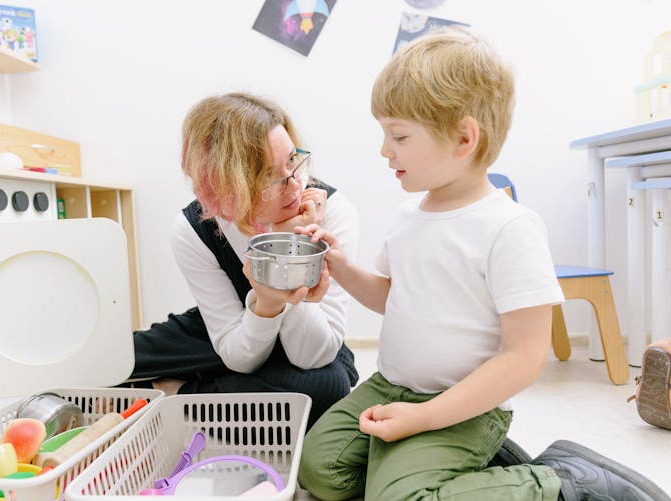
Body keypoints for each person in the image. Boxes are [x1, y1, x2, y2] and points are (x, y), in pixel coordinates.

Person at [296, 28, 669, 500]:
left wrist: (427, 419)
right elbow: (393, 297)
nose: (384, 150)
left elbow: (524, 356)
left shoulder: (508, 228)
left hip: (465, 406)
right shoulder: (408, 217)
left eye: (399, 135)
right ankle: (454, 467)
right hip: (390, 386)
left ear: (464, 139)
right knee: (318, 469)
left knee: (399, 498)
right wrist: (341, 266)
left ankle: (562, 483)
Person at [126, 92, 359, 428]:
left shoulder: (332, 212)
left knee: (324, 386)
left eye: (293, 160)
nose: (295, 185)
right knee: (117, 363)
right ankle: (189, 389)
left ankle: (176, 396)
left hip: (304, 329)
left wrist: (291, 250)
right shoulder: (194, 229)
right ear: (223, 188)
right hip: (230, 322)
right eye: (268, 177)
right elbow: (238, 356)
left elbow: (309, 356)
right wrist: (263, 304)